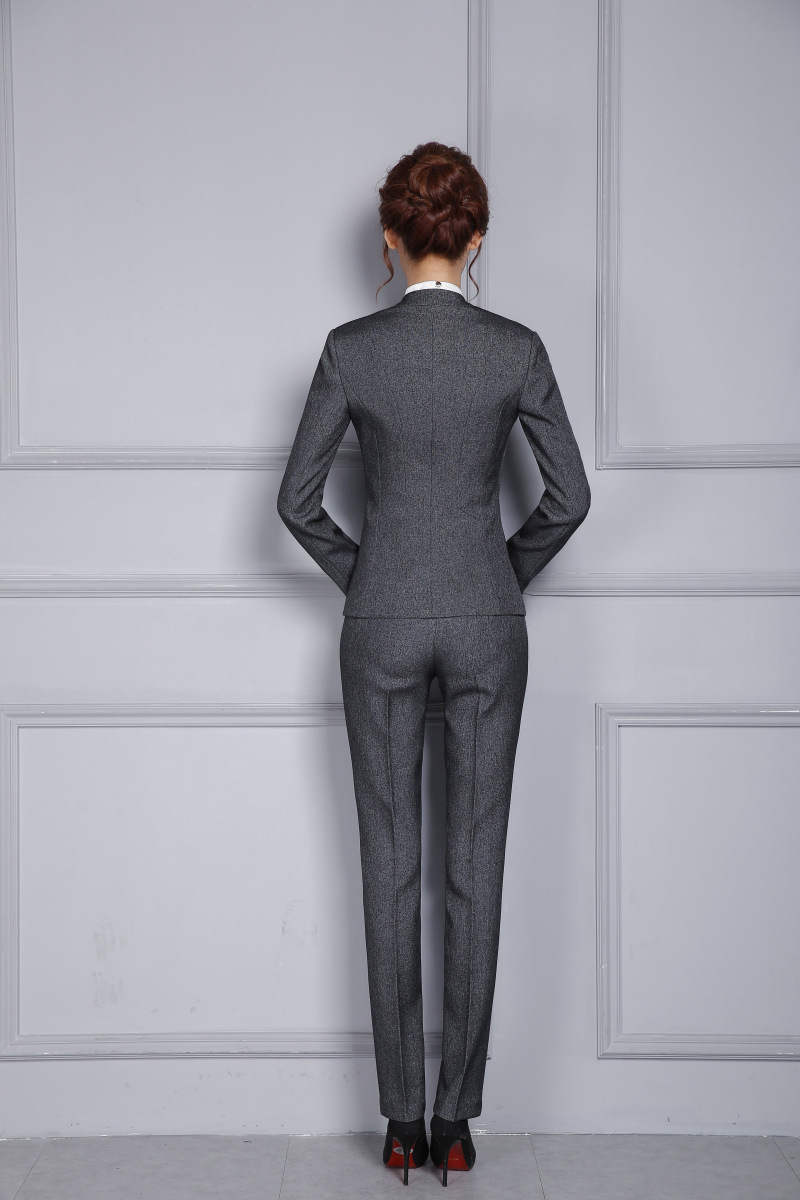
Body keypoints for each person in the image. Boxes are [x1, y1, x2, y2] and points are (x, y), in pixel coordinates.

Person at [276, 141, 591, 1186]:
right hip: (488, 625)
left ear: (390, 240)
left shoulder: (350, 350)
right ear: (477, 239)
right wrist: (498, 574)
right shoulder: (514, 350)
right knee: (474, 866)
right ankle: (457, 1120)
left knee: (388, 866)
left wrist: (369, 577)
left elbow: (295, 503)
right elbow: (570, 498)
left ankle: (401, 1124)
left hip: (381, 625)